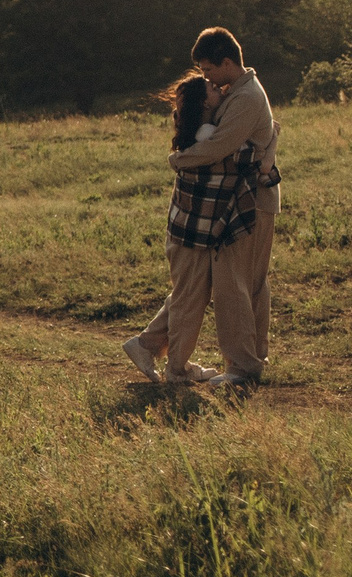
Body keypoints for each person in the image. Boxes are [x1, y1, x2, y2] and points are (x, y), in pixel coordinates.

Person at [119, 27, 281, 390]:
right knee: (220, 285)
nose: (206, 78)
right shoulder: (236, 93)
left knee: (237, 286)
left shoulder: (244, 98)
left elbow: (219, 146)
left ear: (226, 63)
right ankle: (239, 361)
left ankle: (242, 367)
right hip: (234, 203)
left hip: (248, 204)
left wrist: (178, 161)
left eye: (208, 70)